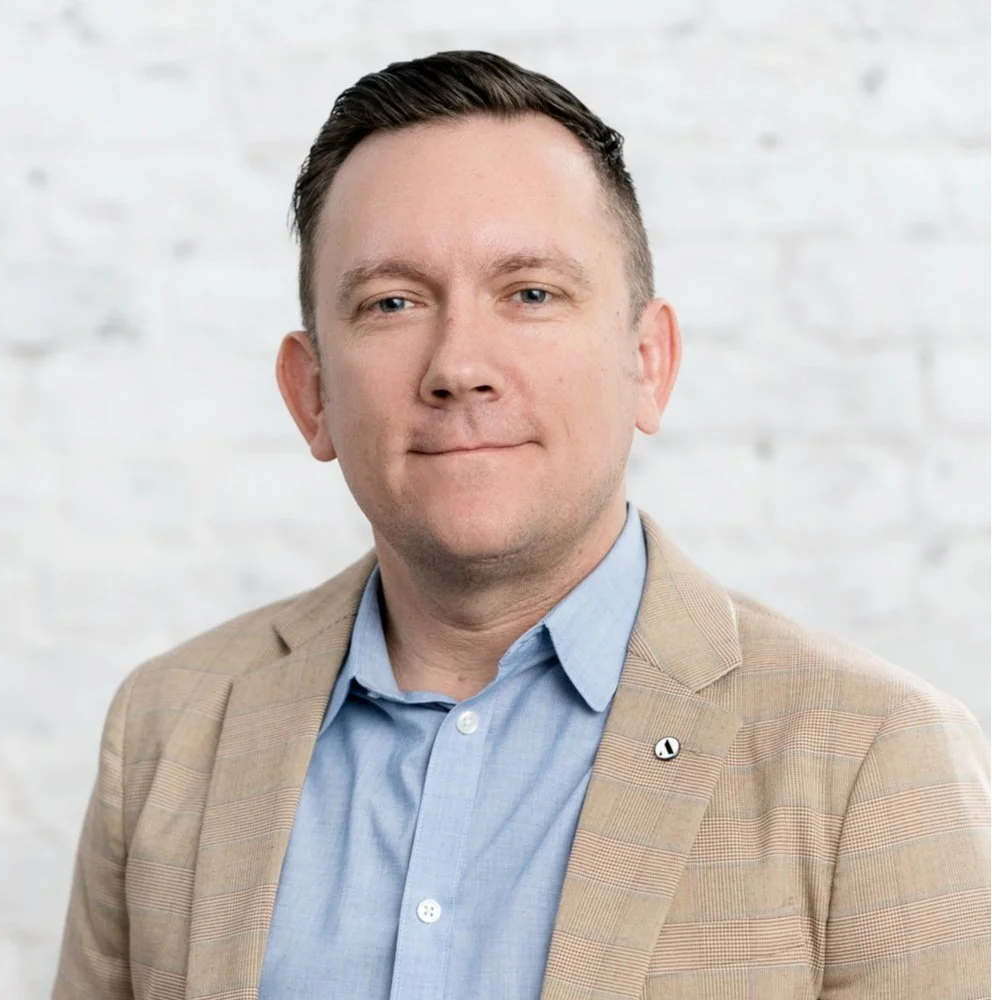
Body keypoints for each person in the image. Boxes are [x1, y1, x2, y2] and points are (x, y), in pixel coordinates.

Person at [53, 50, 990, 1000]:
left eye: (531, 293)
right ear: (313, 396)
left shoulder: (875, 760)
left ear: (649, 363)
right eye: (393, 302)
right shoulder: (168, 734)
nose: (460, 363)